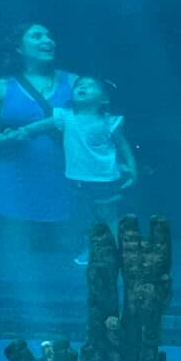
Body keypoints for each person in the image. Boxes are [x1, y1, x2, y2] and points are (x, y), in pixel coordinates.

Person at [0, 23, 76, 253]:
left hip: (64, 174)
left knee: (66, 246)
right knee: (16, 248)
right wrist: (4, 139)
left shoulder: (74, 83)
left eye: (50, 35)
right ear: (18, 48)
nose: (48, 40)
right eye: (37, 36)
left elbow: (93, 122)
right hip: (16, 176)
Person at [60, 75, 137, 262]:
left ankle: (118, 249)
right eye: (80, 84)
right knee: (85, 216)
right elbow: (41, 126)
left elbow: (122, 144)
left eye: (91, 86)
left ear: (104, 99)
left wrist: (133, 168)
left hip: (105, 177)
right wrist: (23, 131)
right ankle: (91, 249)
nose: (83, 87)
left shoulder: (110, 121)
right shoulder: (65, 116)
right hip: (77, 178)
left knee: (108, 214)